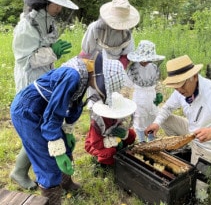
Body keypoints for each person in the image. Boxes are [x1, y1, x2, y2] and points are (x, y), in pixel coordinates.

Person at [10, 51, 126, 205]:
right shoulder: (73, 75)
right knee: (47, 160)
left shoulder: (85, 71)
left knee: (65, 145)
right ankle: (51, 199)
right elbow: (54, 114)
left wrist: (68, 129)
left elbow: (74, 101)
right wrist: (57, 150)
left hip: (44, 110)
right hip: (27, 112)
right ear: (98, 77)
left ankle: (66, 183)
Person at [10, 0, 79, 190]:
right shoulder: (26, 26)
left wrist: (53, 52)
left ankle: (19, 171)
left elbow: (45, 50)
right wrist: (53, 52)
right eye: (56, 3)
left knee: (38, 129)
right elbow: (25, 59)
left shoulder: (48, 20)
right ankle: (20, 172)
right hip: (30, 82)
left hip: (45, 77)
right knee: (34, 128)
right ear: (44, 1)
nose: (59, 8)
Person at [145, 55, 211, 197]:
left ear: (194, 76)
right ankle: (187, 148)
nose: (179, 90)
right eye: (176, 86)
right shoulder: (181, 90)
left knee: (197, 192)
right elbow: (167, 108)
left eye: (182, 85)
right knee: (166, 119)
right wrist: (156, 123)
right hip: (193, 133)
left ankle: (200, 160)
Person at [80, 0, 140, 110]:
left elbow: (126, 55)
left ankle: (111, 122)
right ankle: (95, 122)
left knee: (112, 103)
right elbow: (87, 50)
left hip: (115, 70)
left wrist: (116, 70)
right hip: (95, 67)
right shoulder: (95, 28)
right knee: (95, 103)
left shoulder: (127, 35)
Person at [126, 40, 165, 143]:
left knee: (152, 118)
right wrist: (125, 100)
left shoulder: (154, 67)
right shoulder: (133, 69)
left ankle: (151, 140)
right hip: (139, 98)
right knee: (140, 120)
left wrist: (159, 93)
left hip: (152, 97)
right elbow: (127, 87)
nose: (146, 61)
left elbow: (157, 83)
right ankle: (142, 141)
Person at [85, 92, 137, 167]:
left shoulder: (117, 116)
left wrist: (124, 134)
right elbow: (96, 144)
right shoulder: (97, 123)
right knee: (110, 151)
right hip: (96, 144)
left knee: (132, 134)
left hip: (112, 137)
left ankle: (122, 152)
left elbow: (121, 126)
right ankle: (106, 165)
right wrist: (115, 140)